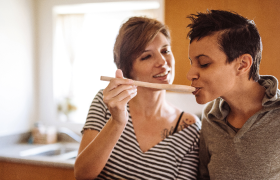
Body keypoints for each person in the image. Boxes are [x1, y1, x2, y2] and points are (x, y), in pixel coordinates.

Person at [74, 16, 201, 180]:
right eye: (147, 56)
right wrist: (117, 122)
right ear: (128, 70)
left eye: (165, 50)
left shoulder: (189, 127)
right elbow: (82, 175)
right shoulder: (106, 103)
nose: (162, 61)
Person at [186, 9, 280, 180]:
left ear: (242, 64)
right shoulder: (210, 118)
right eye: (192, 63)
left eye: (204, 63)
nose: (190, 74)